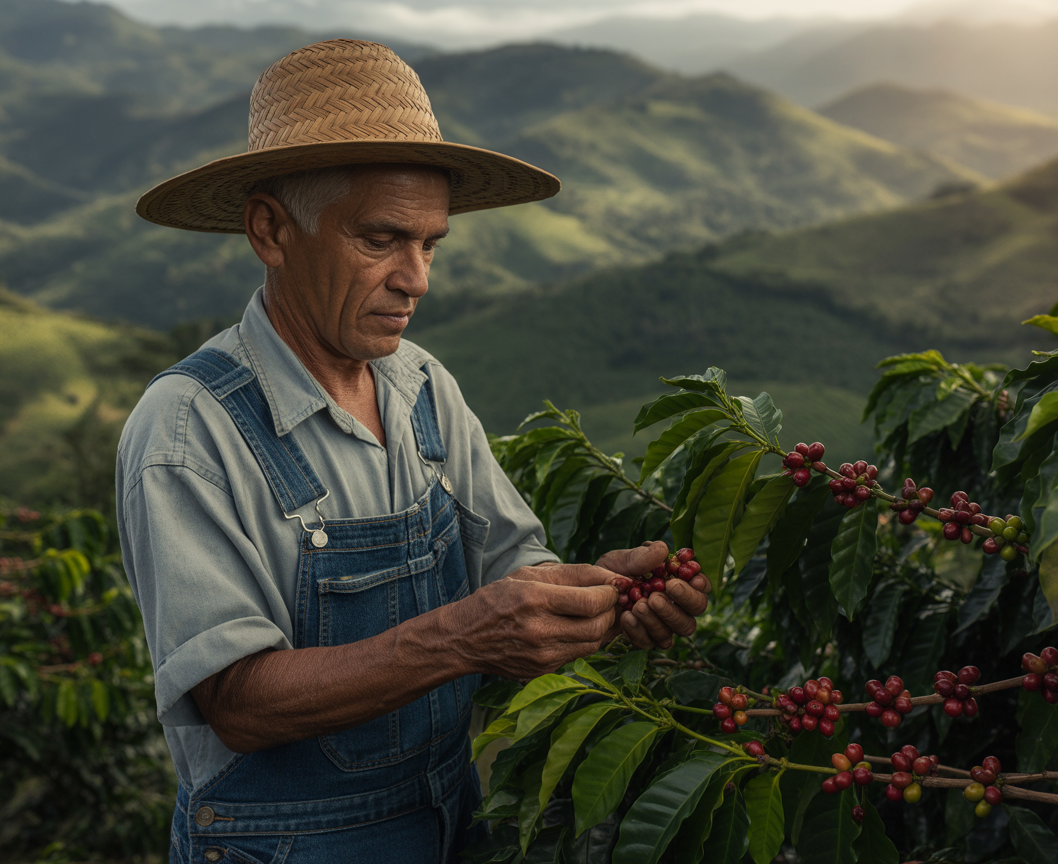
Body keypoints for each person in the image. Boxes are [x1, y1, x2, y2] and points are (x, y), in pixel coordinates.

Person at [117, 39, 710, 863]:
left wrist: (598, 602)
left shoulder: (420, 384)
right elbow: (238, 703)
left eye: (430, 244)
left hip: (445, 821)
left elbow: (508, 565)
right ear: (270, 230)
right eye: (381, 239)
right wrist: (462, 637)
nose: (416, 278)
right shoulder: (188, 431)